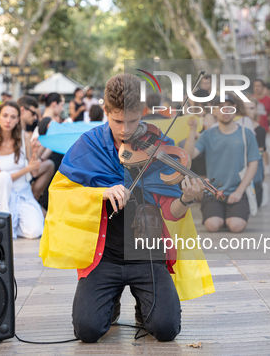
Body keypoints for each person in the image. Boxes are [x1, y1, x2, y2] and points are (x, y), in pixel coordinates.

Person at [39, 73, 214, 343]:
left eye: (133, 120)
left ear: (142, 112)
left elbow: (171, 212)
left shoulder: (159, 146)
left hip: (148, 255)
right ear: (106, 111)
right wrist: (100, 193)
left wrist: (187, 199)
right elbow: (61, 194)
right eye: (118, 121)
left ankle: (144, 309)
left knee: (166, 329)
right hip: (104, 258)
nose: (125, 129)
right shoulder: (89, 145)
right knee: (87, 331)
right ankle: (110, 304)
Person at [185, 94, 260, 233]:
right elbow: (189, 156)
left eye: (229, 107)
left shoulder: (246, 133)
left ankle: (230, 216)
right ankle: (221, 215)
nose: (225, 111)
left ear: (235, 109)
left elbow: (254, 163)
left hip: (238, 191)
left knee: (236, 226)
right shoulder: (207, 135)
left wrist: (239, 191)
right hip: (213, 192)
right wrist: (192, 130)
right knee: (212, 226)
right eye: (221, 107)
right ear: (214, 110)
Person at [0, 101, 44, 239]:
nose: (8, 120)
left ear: (18, 120)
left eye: (13, 117)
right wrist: (27, 168)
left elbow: (34, 172)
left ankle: (12, 224)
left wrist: (34, 153)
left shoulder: (24, 137)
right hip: (1, 196)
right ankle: (5, 221)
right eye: (5, 115)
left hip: (22, 194)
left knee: (34, 232)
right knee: (4, 176)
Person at [16, 95, 55, 202]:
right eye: (33, 113)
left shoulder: (23, 133)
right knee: (49, 165)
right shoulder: (17, 132)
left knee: (48, 165)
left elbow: (33, 163)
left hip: (20, 176)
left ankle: (32, 201)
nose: (35, 118)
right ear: (22, 110)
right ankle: (32, 200)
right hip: (15, 179)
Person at [244, 96, 266, 207]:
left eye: (252, 108)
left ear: (256, 109)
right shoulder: (237, 126)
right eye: (246, 107)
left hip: (254, 159)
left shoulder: (260, 129)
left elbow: (261, 149)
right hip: (240, 159)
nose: (249, 111)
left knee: (257, 181)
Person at [252, 79, 270, 173]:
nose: (257, 88)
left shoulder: (268, 99)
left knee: (263, 148)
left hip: (264, 128)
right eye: (255, 85)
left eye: (259, 85)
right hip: (253, 127)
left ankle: (266, 166)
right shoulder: (250, 98)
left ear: (263, 87)